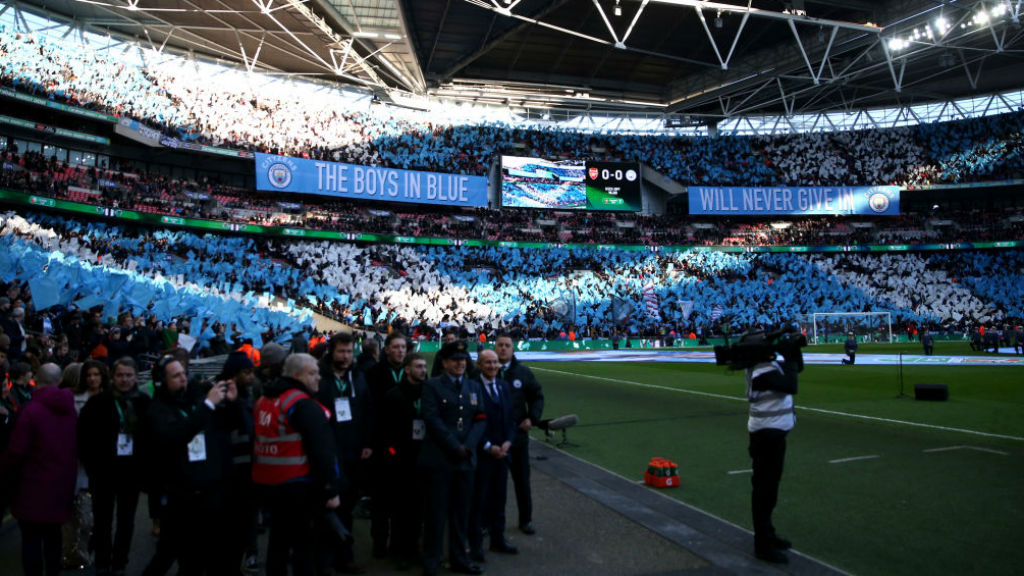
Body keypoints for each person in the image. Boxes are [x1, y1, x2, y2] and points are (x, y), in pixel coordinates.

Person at [253, 353, 345, 576]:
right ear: (296, 375)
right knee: (305, 550)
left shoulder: (265, 399)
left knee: (278, 544)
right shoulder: (301, 403)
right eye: (312, 373)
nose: (318, 378)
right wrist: (331, 489)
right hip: (299, 486)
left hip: (267, 483)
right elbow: (323, 450)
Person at [141, 355, 230, 576]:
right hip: (178, 493)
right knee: (168, 553)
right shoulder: (157, 410)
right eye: (176, 376)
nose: (183, 379)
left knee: (199, 557)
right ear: (162, 380)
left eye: (184, 374)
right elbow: (177, 433)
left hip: (205, 490)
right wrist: (208, 404)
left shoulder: (193, 400)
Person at [0, 363, 77, 576]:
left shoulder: (30, 411)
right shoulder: (70, 410)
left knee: (32, 541)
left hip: (31, 487)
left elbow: (15, 452)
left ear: (36, 379)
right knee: (53, 539)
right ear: (59, 381)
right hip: (61, 486)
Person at [77, 356, 150, 576]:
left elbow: (151, 437)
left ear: (136, 377)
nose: (124, 380)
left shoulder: (143, 402)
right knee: (102, 521)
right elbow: (83, 437)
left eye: (129, 375)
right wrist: (92, 467)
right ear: (113, 376)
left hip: (131, 473)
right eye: (120, 375)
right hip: (103, 473)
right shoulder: (98, 403)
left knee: (126, 522)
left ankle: (120, 563)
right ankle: (102, 561)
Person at [419, 340, 487, 576]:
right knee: (436, 514)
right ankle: (431, 560)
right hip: (441, 458)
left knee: (461, 513)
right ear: (445, 363)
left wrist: (467, 446)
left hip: (465, 459)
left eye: (463, 360)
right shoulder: (432, 386)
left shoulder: (473, 386)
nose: (460, 364)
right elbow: (432, 418)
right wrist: (454, 445)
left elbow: (480, 418)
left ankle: (460, 558)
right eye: (455, 360)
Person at [742, 329, 802, 564]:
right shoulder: (760, 369)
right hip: (767, 434)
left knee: (769, 488)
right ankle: (762, 544)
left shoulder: (764, 365)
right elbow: (790, 384)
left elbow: (796, 371)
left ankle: (767, 534)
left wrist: (793, 353)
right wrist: (789, 357)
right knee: (765, 489)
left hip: (772, 432)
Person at [316, 333, 372, 575]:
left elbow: (368, 411)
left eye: (349, 352)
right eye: (341, 352)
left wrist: (367, 442)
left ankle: (345, 556)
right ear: (331, 352)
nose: (346, 356)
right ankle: (325, 560)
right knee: (326, 507)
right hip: (327, 452)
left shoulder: (358, 377)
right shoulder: (319, 379)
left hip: (353, 452)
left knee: (347, 507)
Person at [378, 352, 428, 570]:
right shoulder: (393, 395)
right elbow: (385, 428)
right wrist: (392, 452)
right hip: (400, 458)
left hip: (424, 456)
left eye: (424, 366)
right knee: (400, 508)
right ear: (407, 369)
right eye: (418, 366)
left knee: (418, 508)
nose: (423, 370)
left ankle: (414, 548)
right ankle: (398, 550)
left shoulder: (429, 393)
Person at [468, 349, 518, 563]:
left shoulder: (504, 387)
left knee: (499, 500)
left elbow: (511, 419)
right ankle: (476, 545)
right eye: (487, 363)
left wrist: (508, 442)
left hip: (502, 453)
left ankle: (498, 539)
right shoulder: (472, 388)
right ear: (479, 365)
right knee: (478, 502)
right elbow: (471, 423)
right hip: (483, 455)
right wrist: (488, 446)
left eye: (495, 362)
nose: (492, 366)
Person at [494, 334, 544, 535]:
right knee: (494, 484)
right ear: (495, 347)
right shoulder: (486, 369)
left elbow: (537, 396)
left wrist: (532, 418)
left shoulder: (523, 372)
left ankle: (526, 520)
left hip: (518, 437)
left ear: (513, 349)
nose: (504, 349)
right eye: (500, 345)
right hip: (494, 437)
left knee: (522, 481)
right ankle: (491, 523)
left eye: (507, 345)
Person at [364, 331, 408, 558]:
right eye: (396, 347)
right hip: (382, 444)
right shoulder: (374, 373)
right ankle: (379, 543)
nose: (400, 350)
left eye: (403, 347)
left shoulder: (413, 373)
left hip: (408, 446)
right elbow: (368, 410)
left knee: (403, 501)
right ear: (387, 349)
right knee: (381, 499)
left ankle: (399, 545)